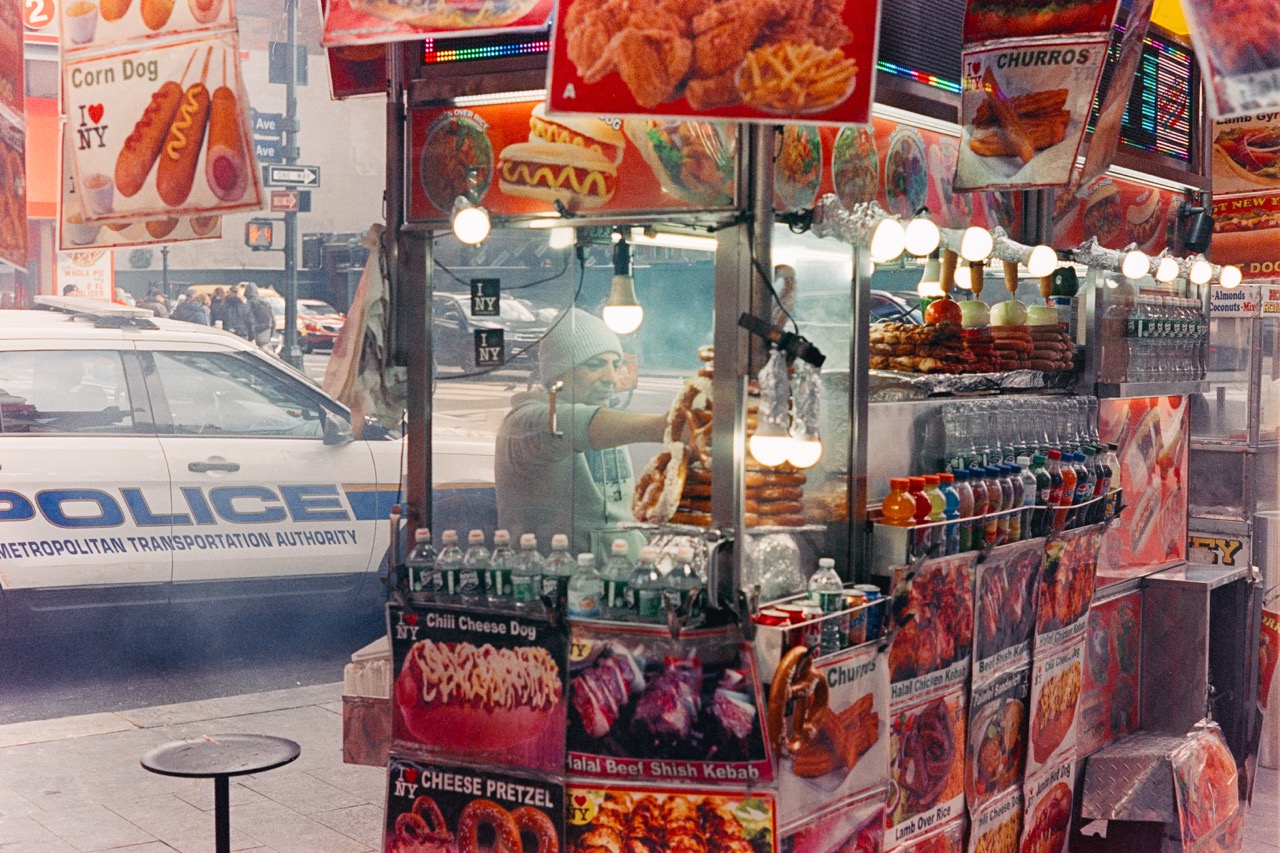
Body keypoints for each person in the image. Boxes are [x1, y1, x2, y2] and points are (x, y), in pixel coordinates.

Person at [495, 308, 667, 556]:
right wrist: (667, 426)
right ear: (558, 376)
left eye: (615, 365)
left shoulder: (605, 418)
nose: (611, 378)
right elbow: (572, 424)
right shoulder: (525, 425)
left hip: (628, 578)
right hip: (561, 582)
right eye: (596, 365)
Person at [243, 283, 275, 352]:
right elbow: (274, 322)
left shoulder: (247, 305)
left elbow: (248, 322)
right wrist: (270, 336)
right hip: (265, 335)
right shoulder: (265, 304)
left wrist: (250, 337)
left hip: (253, 337)